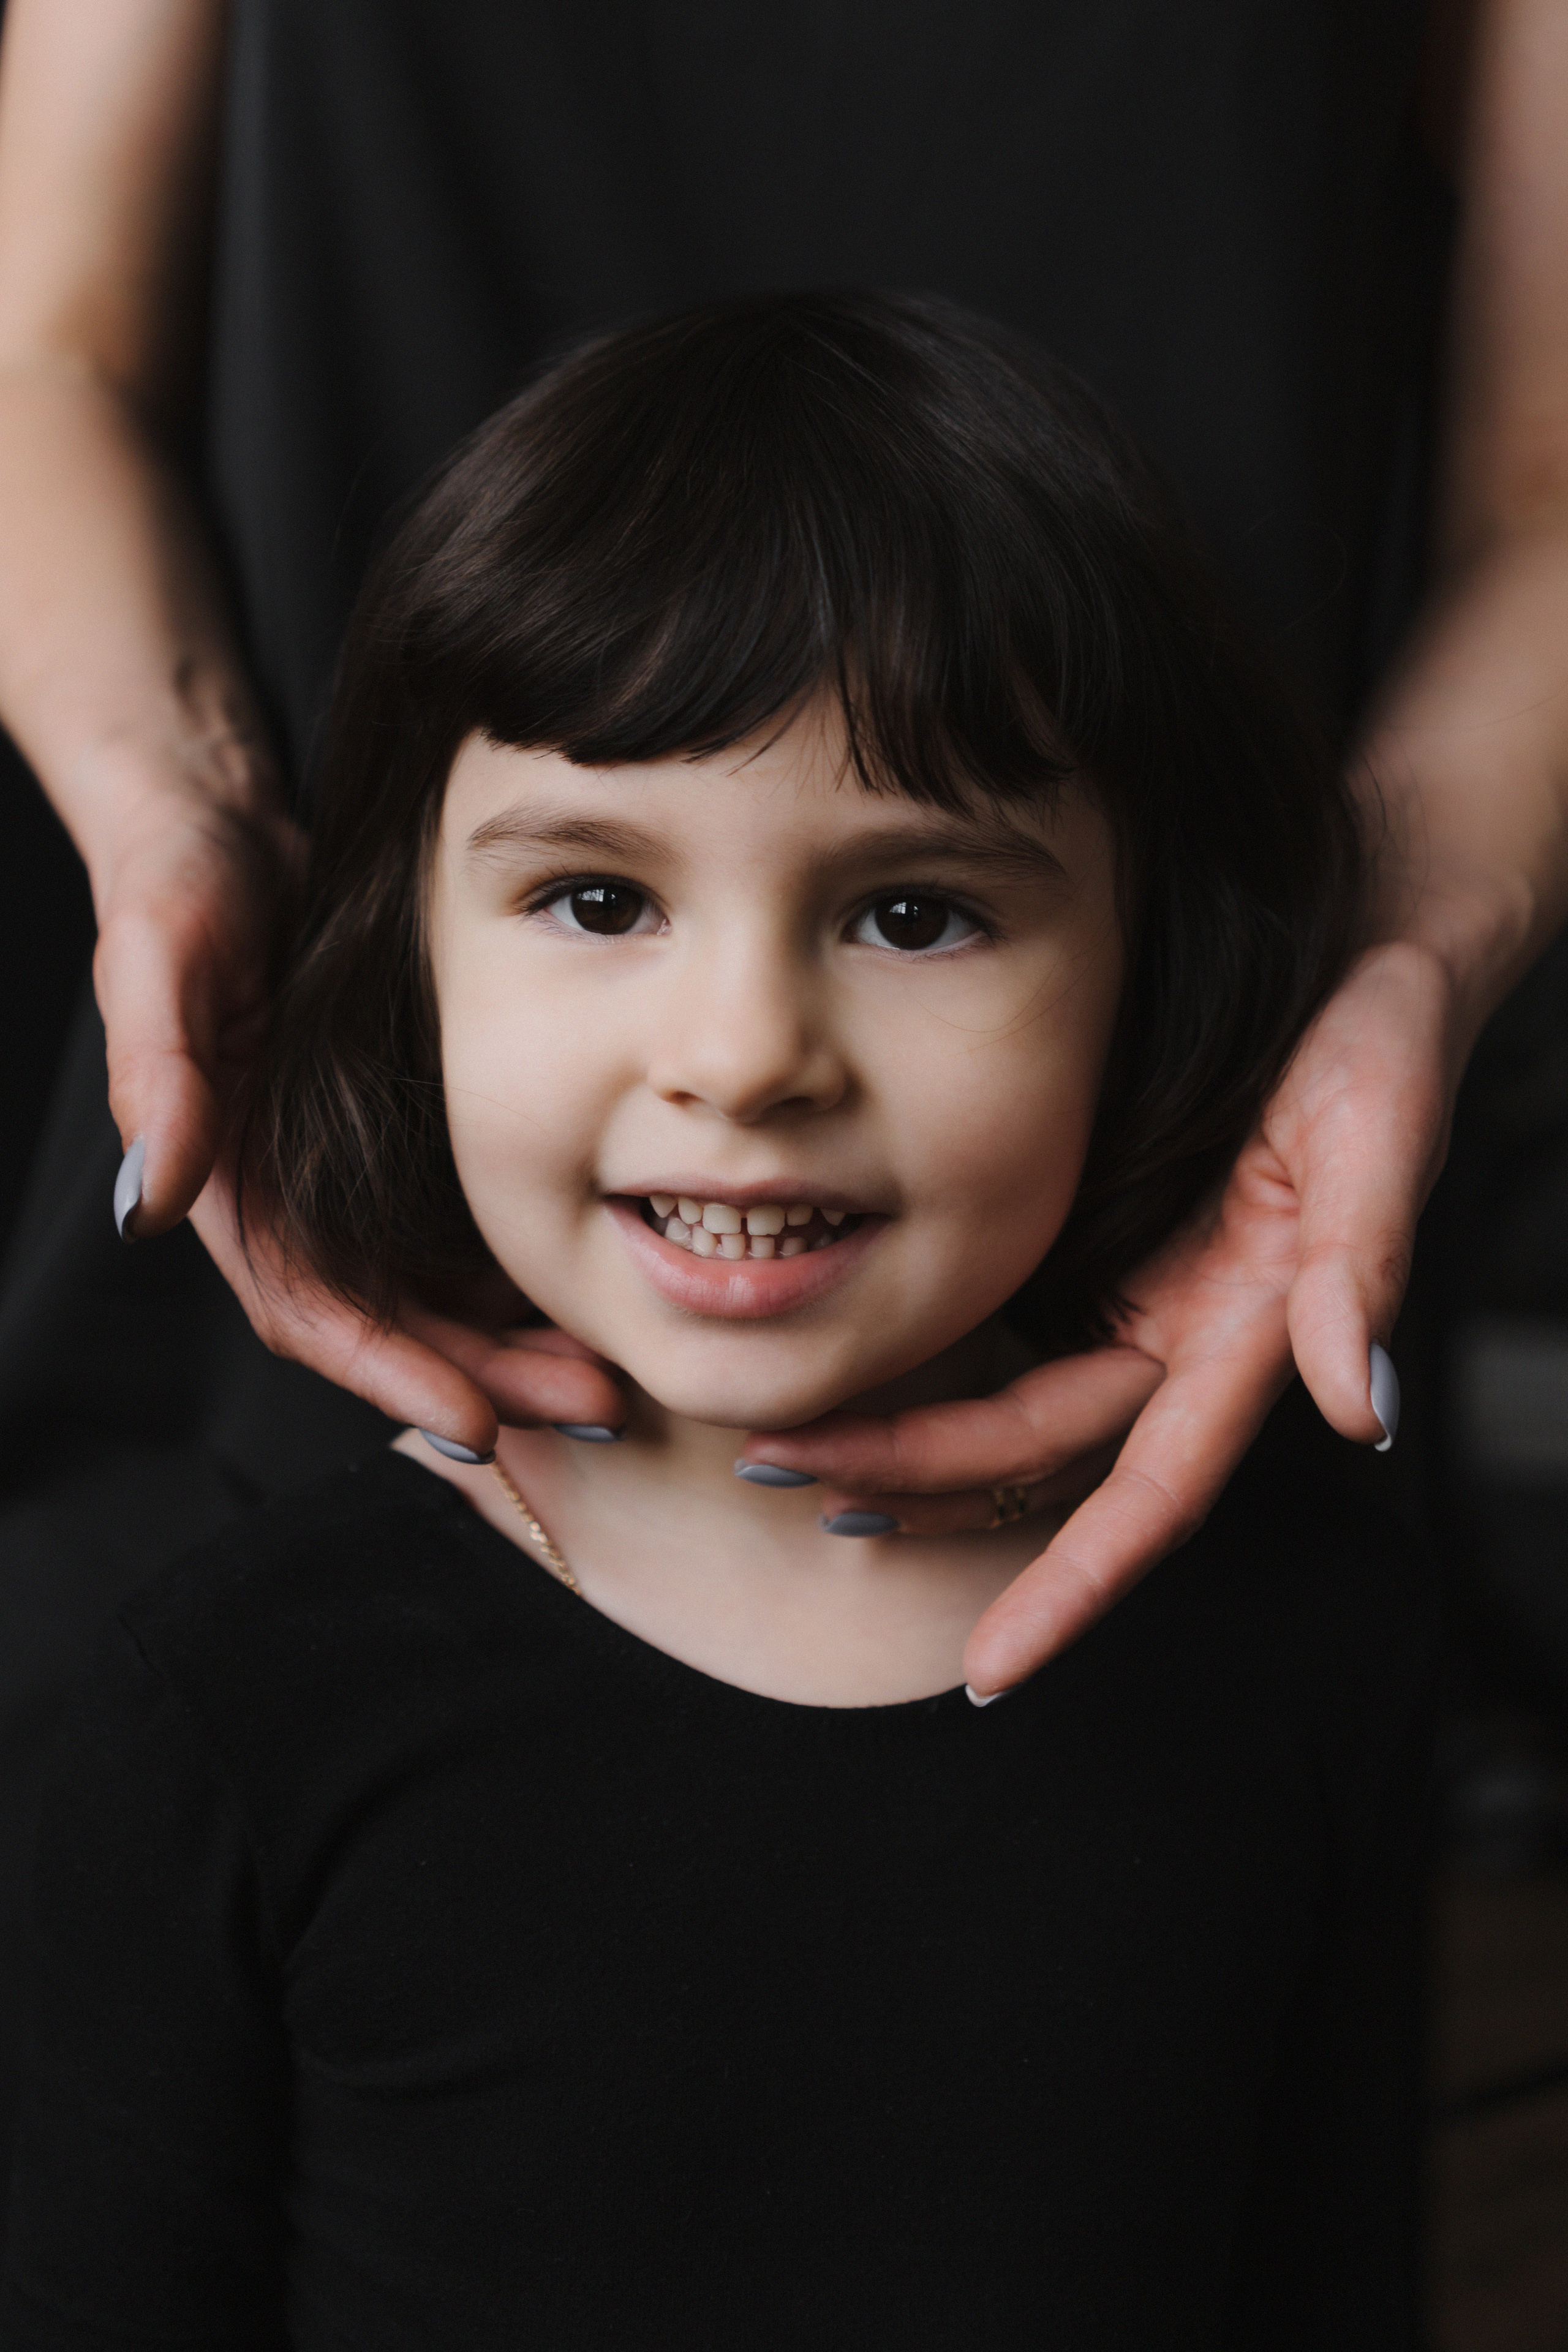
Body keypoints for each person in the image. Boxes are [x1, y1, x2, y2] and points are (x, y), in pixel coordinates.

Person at [0, 292, 1434, 2348]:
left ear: (1153, 965)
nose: (747, 1055)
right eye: (598, 899)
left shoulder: (1312, 1639)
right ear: (410, 953)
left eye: (915, 912)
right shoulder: (227, 1705)